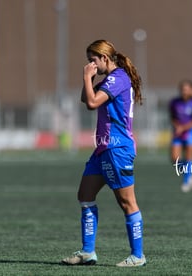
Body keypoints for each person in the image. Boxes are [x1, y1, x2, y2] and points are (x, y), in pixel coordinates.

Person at [62, 40, 146, 267]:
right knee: (85, 195)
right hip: (103, 149)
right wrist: (89, 78)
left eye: (93, 59)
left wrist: (85, 77)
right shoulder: (108, 79)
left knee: (127, 202)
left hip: (117, 149)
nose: (90, 64)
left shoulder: (117, 78)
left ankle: (138, 256)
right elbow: (85, 97)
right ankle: (88, 252)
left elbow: (91, 103)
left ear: (105, 59)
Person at [169, 79, 192, 193]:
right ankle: (191, 170)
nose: (184, 92)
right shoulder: (174, 103)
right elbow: (172, 117)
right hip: (178, 132)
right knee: (174, 158)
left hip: (190, 132)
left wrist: (183, 128)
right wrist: (177, 126)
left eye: (187, 90)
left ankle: (187, 182)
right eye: (182, 89)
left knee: (188, 157)